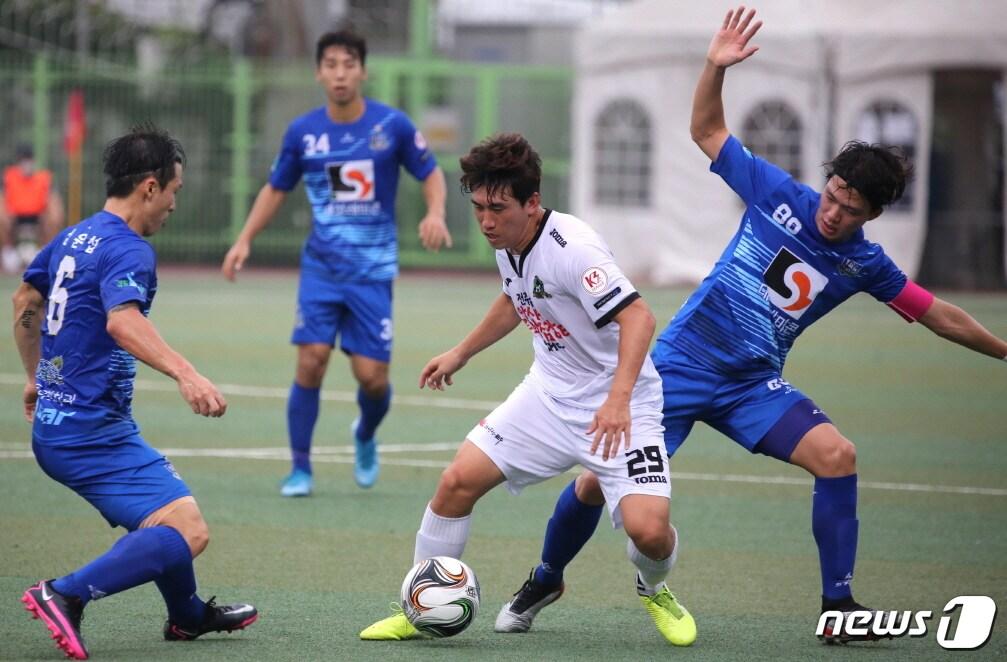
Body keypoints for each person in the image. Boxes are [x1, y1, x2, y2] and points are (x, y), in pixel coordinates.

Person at [497, 5, 1007, 645]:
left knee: (837, 457)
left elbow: (942, 316)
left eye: (850, 210)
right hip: (676, 367)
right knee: (596, 482)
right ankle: (546, 575)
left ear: (872, 213)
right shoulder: (775, 192)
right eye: (832, 195)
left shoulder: (865, 263)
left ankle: (839, 606)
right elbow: (705, 129)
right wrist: (715, 65)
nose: (833, 213)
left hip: (750, 386)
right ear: (827, 183)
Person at [357, 133, 697, 646]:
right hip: (546, 397)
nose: (486, 222)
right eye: (477, 208)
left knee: (649, 533)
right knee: (455, 484)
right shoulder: (510, 242)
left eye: (498, 209)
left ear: (532, 203)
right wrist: (461, 352)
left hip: (619, 408)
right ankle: (419, 606)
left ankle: (654, 588)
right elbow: (517, 298)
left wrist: (618, 400)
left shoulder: (573, 250)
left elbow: (640, 317)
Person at [14, 125, 257, 661]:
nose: (173, 204)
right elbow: (122, 323)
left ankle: (188, 616)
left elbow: (25, 299)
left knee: (171, 517)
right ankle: (65, 594)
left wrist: (36, 377)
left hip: (65, 424)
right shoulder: (130, 249)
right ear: (150, 187)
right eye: (173, 192)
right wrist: (187, 373)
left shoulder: (74, 236)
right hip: (88, 431)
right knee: (187, 532)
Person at [221, 29, 451, 497]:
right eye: (331, 64)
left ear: (363, 71)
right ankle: (300, 468)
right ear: (318, 72)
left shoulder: (393, 127)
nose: (340, 74)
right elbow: (275, 190)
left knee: (372, 378)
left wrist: (435, 212)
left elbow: (430, 173)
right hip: (322, 270)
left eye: (349, 64)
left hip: (372, 273)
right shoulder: (303, 132)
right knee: (311, 361)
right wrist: (244, 238)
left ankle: (364, 434)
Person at [1, 143, 64, 273]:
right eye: (23, 160)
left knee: (55, 213)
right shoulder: (8, 176)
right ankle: (8, 253)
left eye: (29, 159)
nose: (26, 164)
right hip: (14, 217)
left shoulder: (44, 178)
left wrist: (51, 214)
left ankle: (46, 252)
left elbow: (53, 199)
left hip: (39, 216)